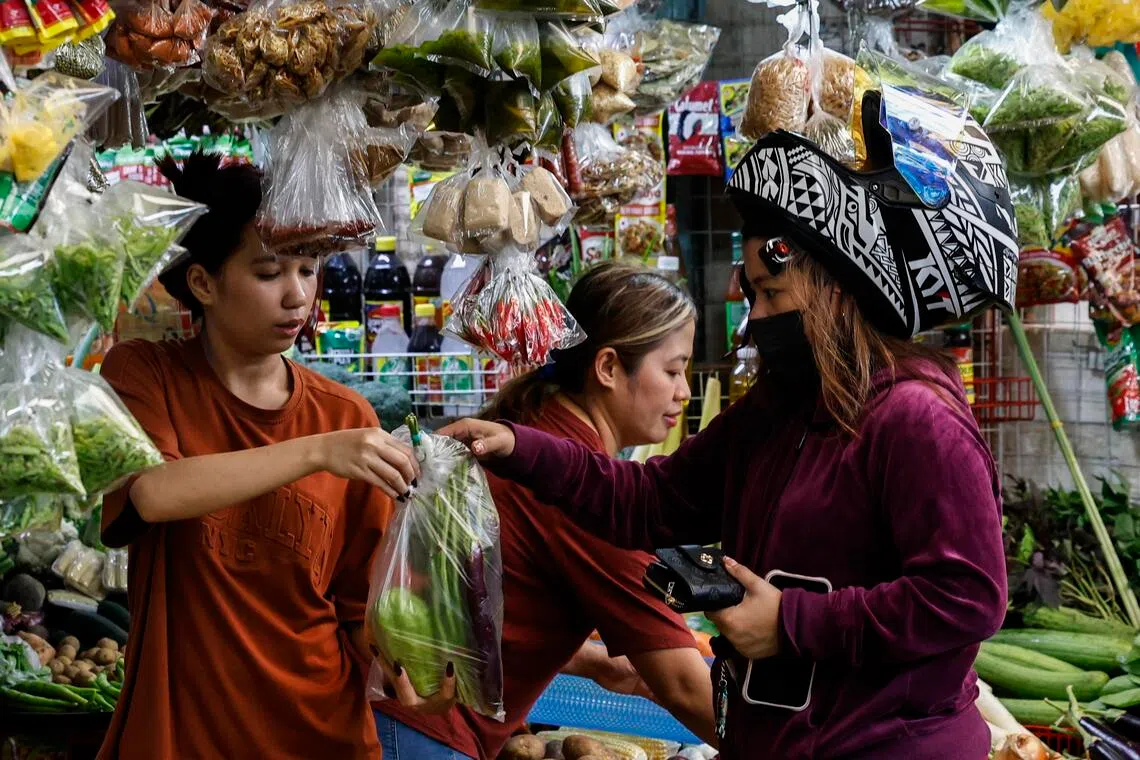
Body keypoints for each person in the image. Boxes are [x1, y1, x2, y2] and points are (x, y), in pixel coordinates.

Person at [441, 88, 1019, 760]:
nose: (757, 321)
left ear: (841, 287)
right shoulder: (777, 411)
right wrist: (519, 447)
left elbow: (968, 597)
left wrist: (793, 622)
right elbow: (648, 501)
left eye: (773, 294)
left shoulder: (917, 420)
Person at [95, 152, 435, 760]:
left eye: (309, 269)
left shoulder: (345, 416)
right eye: (268, 272)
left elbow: (357, 605)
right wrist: (317, 453)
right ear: (203, 283)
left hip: (321, 733)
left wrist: (413, 661)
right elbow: (154, 493)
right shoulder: (146, 373)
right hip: (184, 736)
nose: (297, 295)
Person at [374, 261, 716, 760]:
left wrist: (595, 664)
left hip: (405, 722)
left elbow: (495, 605)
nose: (683, 391)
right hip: (425, 733)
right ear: (607, 368)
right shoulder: (581, 490)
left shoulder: (535, 427)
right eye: (672, 369)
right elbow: (684, 685)